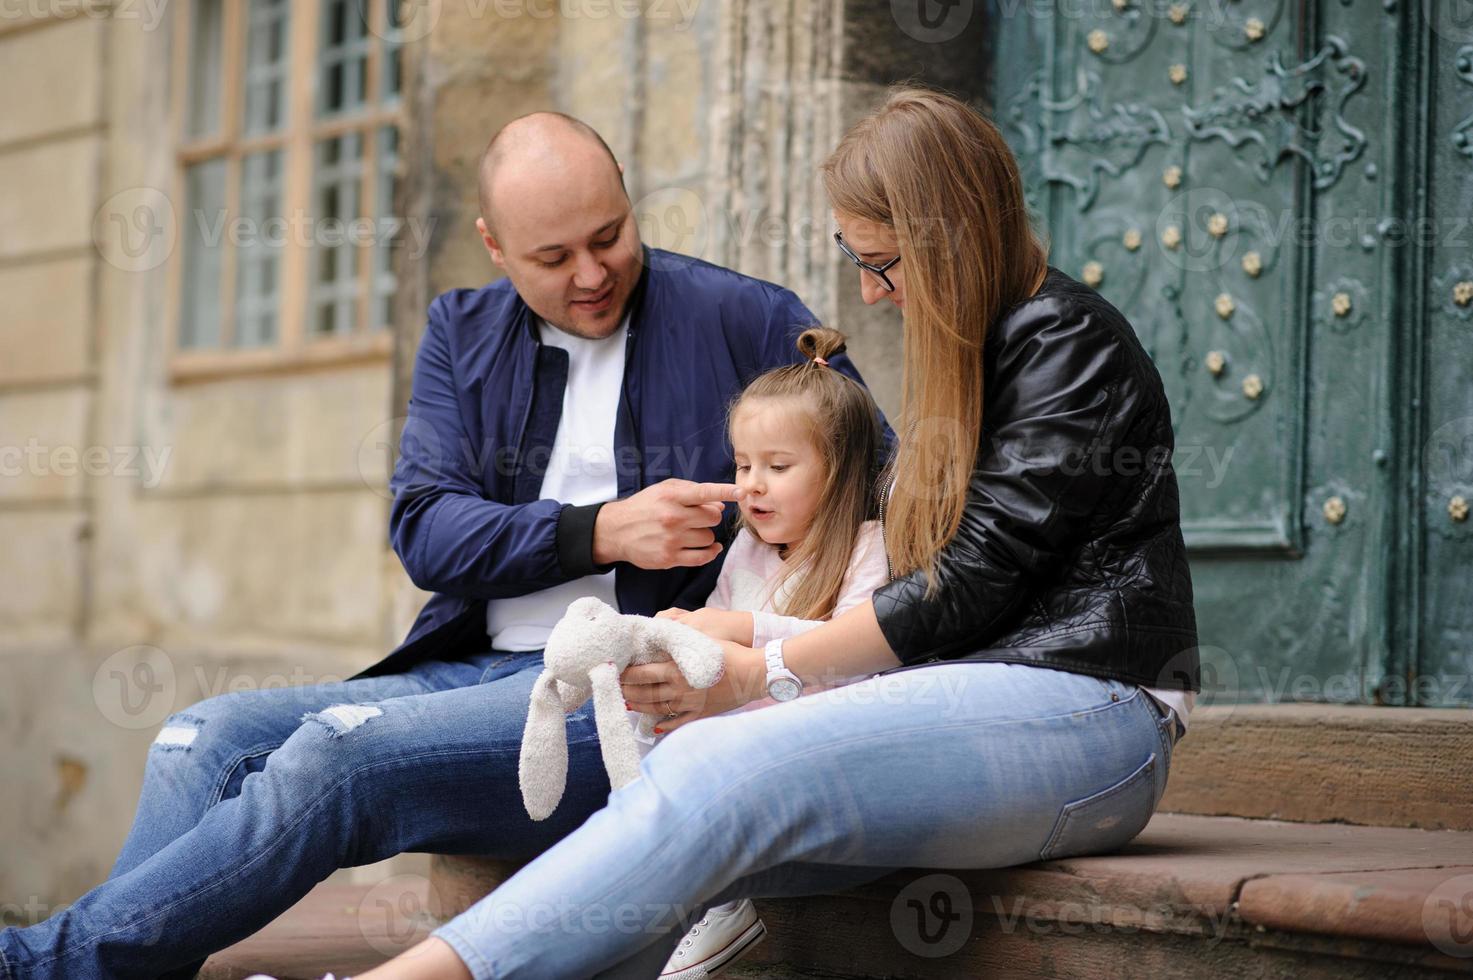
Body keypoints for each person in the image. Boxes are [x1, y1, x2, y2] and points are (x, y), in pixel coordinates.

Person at [0, 112, 887, 980]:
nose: (590, 273)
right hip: (462, 670)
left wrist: (782, 603)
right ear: (494, 248)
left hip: (620, 695)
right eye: (551, 257)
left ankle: (41, 967)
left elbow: (875, 481)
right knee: (200, 734)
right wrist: (600, 529)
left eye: (608, 236)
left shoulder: (744, 318)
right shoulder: (463, 332)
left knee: (339, 755)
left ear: (627, 199)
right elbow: (425, 529)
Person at [346, 85, 1202, 980]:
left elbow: (971, 584)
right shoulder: (981, 348)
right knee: (675, 809)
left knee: (723, 767)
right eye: (855, 259)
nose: (870, 290)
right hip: (986, 699)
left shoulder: (1065, 341)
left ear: (959, 238)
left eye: (886, 263)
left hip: (1094, 708)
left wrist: (765, 663)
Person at [632, 326, 892, 978]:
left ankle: (719, 904)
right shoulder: (746, 550)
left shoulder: (869, 548)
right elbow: (714, 645)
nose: (751, 485)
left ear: (840, 472)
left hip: (819, 738)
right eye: (743, 465)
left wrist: (742, 626)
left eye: (777, 467)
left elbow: (863, 653)